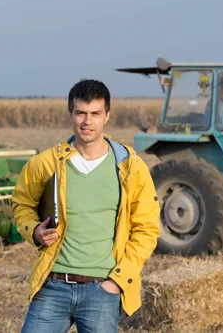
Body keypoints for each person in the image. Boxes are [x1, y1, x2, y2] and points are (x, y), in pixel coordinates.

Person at [12, 79, 160, 333]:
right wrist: (35, 230)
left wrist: (117, 281)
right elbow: (22, 204)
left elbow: (146, 230)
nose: (87, 121)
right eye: (80, 113)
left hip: (101, 289)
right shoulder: (45, 163)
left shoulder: (130, 167)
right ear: (70, 114)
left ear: (107, 116)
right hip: (53, 285)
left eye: (95, 114)